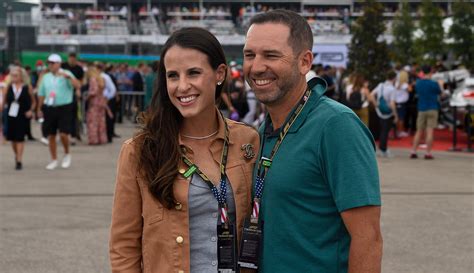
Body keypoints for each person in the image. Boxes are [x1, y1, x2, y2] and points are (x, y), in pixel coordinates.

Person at [242, 9, 382, 273]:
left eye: (271, 55)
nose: (256, 66)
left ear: (304, 62)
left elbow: (368, 238)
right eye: (250, 55)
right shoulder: (262, 131)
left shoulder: (337, 126)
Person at [109, 27, 259, 273]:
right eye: (173, 76)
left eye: (194, 73)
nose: (182, 86)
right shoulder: (140, 151)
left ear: (219, 73)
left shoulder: (247, 141)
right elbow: (124, 246)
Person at [37, 54, 81, 170]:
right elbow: (41, 93)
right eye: (49, 63)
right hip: (50, 107)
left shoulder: (66, 73)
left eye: (52, 63)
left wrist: (68, 77)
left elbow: (77, 85)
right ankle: (54, 159)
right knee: (51, 135)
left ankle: (67, 153)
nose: (50, 65)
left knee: (63, 134)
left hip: (64, 107)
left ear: (58, 63)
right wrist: (39, 108)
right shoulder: (46, 76)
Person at [3, 67, 35, 170]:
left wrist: (31, 110)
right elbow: (3, 102)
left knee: (20, 138)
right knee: (13, 139)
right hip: (11, 115)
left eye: (16, 75)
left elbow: (34, 101)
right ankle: (16, 155)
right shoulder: (8, 87)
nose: (14, 77)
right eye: (12, 75)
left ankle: (19, 160)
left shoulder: (27, 87)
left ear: (21, 77)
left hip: (22, 115)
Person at [410, 65, 443, 160]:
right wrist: (440, 85)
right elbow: (441, 93)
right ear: (431, 71)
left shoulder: (418, 83)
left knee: (419, 131)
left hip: (421, 108)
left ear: (422, 72)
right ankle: (428, 153)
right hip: (432, 108)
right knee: (430, 131)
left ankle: (413, 151)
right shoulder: (434, 83)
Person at [370, 71, 399, 157]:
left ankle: (381, 149)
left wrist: (376, 105)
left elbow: (371, 94)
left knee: (381, 130)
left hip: (379, 111)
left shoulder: (380, 85)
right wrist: (395, 115)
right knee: (385, 131)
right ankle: (383, 149)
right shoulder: (392, 89)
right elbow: (392, 103)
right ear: (394, 78)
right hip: (387, 112)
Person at [86, 66, 109, 145]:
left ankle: (94, 139)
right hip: (101, 102)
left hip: (94, 102)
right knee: (101, 121)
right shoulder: (101, 78)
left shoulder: (93, 79)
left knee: (93, 122)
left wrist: (88, 96)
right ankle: (102, 139)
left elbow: (94, 91)